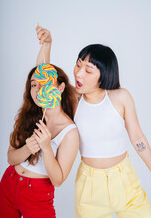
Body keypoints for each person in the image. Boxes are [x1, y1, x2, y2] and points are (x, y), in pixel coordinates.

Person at [36, 27, 151, 218]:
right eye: (78, 65)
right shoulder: (74, 98)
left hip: (124, 179)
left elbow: (138, 138)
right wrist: (47, 44)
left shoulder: (121, 97)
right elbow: (43, 76)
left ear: (103, 76)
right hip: (89, 185)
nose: (78, 74)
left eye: (88, 70)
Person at [0, 55, 79, 217]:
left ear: (60, 88)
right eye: (33, 85)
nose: (38, 89)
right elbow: (11, 158)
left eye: (45, 83)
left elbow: (58, 180)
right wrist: (27, 149)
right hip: (9, 183)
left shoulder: (70, 132)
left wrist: (46, 148)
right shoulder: (29, 115)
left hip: (37, 194)